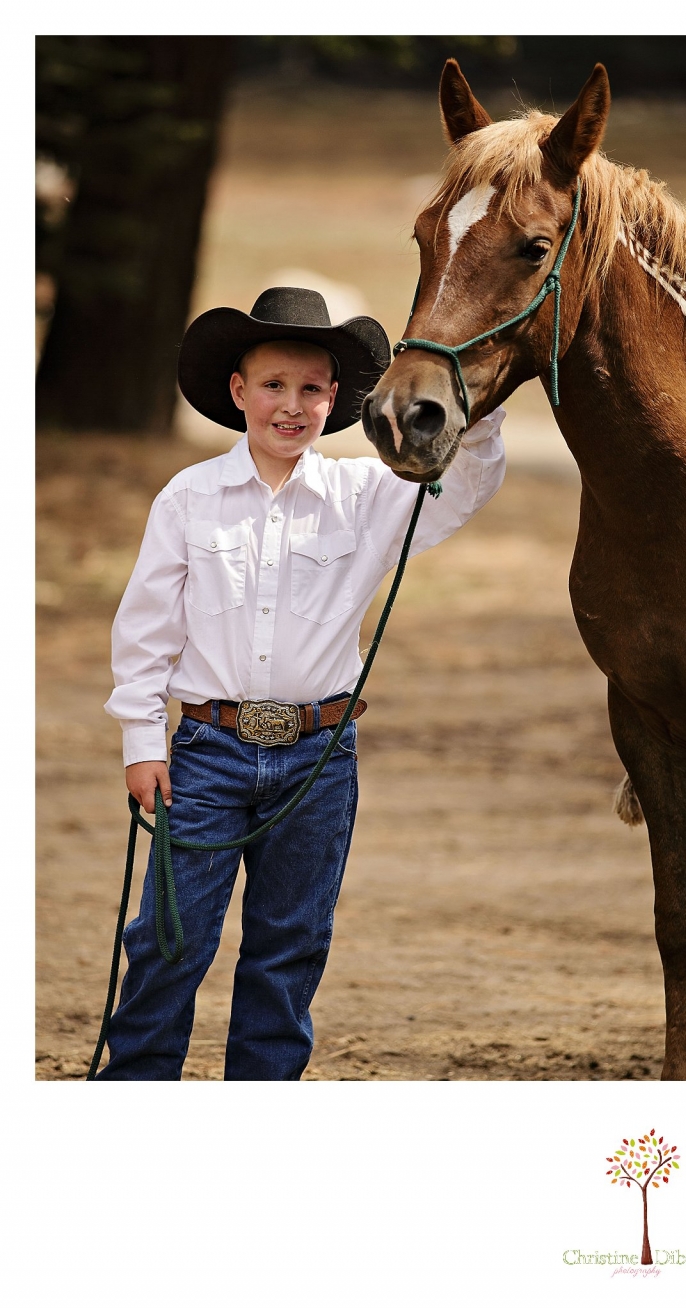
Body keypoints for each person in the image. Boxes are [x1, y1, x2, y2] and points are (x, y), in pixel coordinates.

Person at [98, 286, 506, 1080]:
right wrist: (142, 741)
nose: (292, 406)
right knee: (168, 939)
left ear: (338, 399)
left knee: (289, 949)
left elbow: (464, 485)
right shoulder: (189, 500)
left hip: (318, 760)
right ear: (238, 392)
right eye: (274, 386)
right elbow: (145, 632)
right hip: (206, 755)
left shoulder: (368, 496)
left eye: (312, 389)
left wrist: (476, 410)